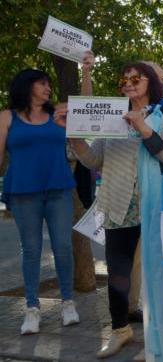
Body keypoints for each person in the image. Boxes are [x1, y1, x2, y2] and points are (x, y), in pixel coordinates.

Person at [68, 62, 163, 358]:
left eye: (136, 78)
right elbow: (94, 160)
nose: (129, 83)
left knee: (157, 273)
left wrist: (143, 127)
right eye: (125, 79)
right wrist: (76, 136)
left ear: (151, 83)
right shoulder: (112, 116)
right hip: (119, 205)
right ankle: (120, 330)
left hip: (156, 205)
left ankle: (160, 337)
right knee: (118, 273)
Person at [0, 69, 79, 335]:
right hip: (23, 192)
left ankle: (68, 302)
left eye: (49, 84)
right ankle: (32, 308)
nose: (48, 88)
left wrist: (87, 71)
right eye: (42, 83)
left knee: (63, 246)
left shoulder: (58, 114)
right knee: (31, 250)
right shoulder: (6, 117)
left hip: (59, 189)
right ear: (27, 85)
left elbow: (89, 110)